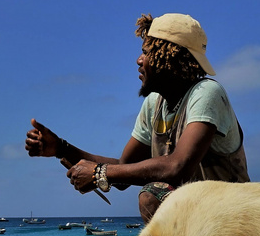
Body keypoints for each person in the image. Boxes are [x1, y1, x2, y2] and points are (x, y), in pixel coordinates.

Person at [25, 13, 248, 222]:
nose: (139, 60)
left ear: (169, 57)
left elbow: (178, 166)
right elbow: (124, 168)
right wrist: (61, 149)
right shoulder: (154, 104)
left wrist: (100, 173)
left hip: (229, 216)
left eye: (147, 52)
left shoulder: (206, 93)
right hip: (197, 217)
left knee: (152, 196)